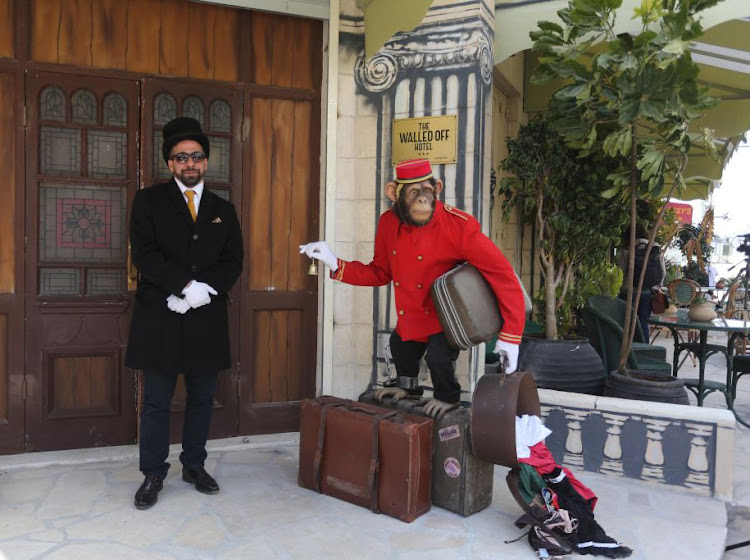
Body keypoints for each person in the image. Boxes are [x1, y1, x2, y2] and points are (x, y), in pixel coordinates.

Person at [300, 159, 526, 419]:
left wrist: (511, 335)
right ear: (394, 194)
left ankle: (448, 398)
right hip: (412, 318)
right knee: (401, 347)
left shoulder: (458, 226)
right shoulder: (388, 223)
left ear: (437, 189)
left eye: (427, 192)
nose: (422, 201)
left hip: (447, 318)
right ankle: (406, 389)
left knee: (438, 359)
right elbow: (380, 273)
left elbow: (502, 276)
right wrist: (334, 262)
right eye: (413, 193)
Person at [125, 117, 243, 510]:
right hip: (160, 316)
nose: (189, 163)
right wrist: (182, 287)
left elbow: (233, 259)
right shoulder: (148, 201)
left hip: (205, 318)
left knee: (202, 397)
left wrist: (204, 291)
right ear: (170, 163)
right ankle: (153, 473)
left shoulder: (222, 208)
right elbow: (145, 254)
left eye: (196, 156)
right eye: (181, 157)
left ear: (206, 162)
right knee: (157, 400)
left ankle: (194, 465)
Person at [617, 227, 665, 340]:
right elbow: (662, 272)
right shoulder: (655, 249)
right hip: (647, 293)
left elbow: (620, 273)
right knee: (643, 323)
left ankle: (627, 352)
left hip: (627, 293)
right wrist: (656, 287)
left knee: (627, 324)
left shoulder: (627, 251)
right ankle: (643, 350)